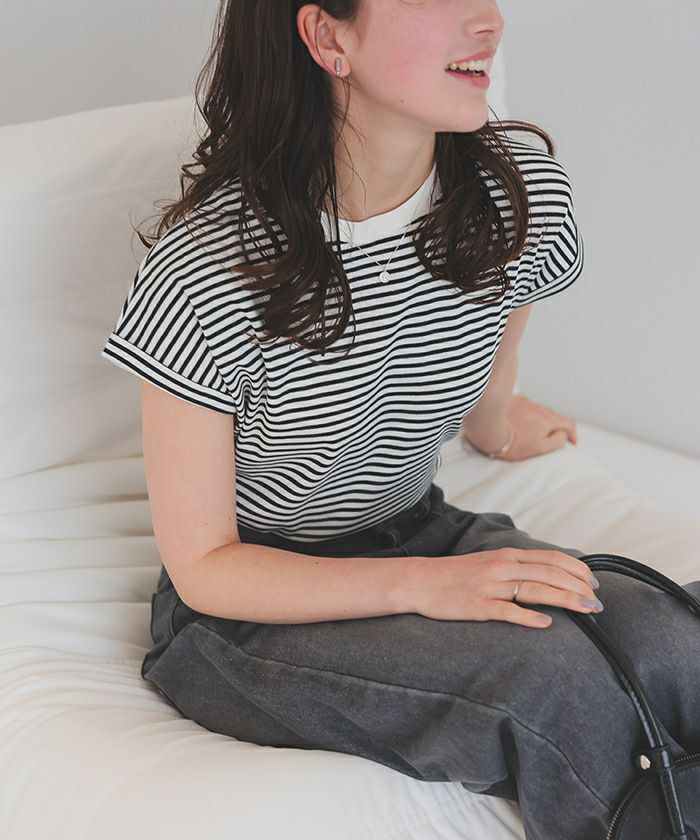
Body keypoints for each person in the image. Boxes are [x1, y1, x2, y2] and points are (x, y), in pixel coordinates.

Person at [100, 2, 700, 838]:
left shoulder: (514, 196)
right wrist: (427, 586)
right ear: (328, 37)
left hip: (419, 528)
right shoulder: (206, 273)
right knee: (557, 686)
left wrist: (495, 423)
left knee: (674, 645)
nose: (486, 20)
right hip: (247, 611)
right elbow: (205, 567)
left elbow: (492, 338)